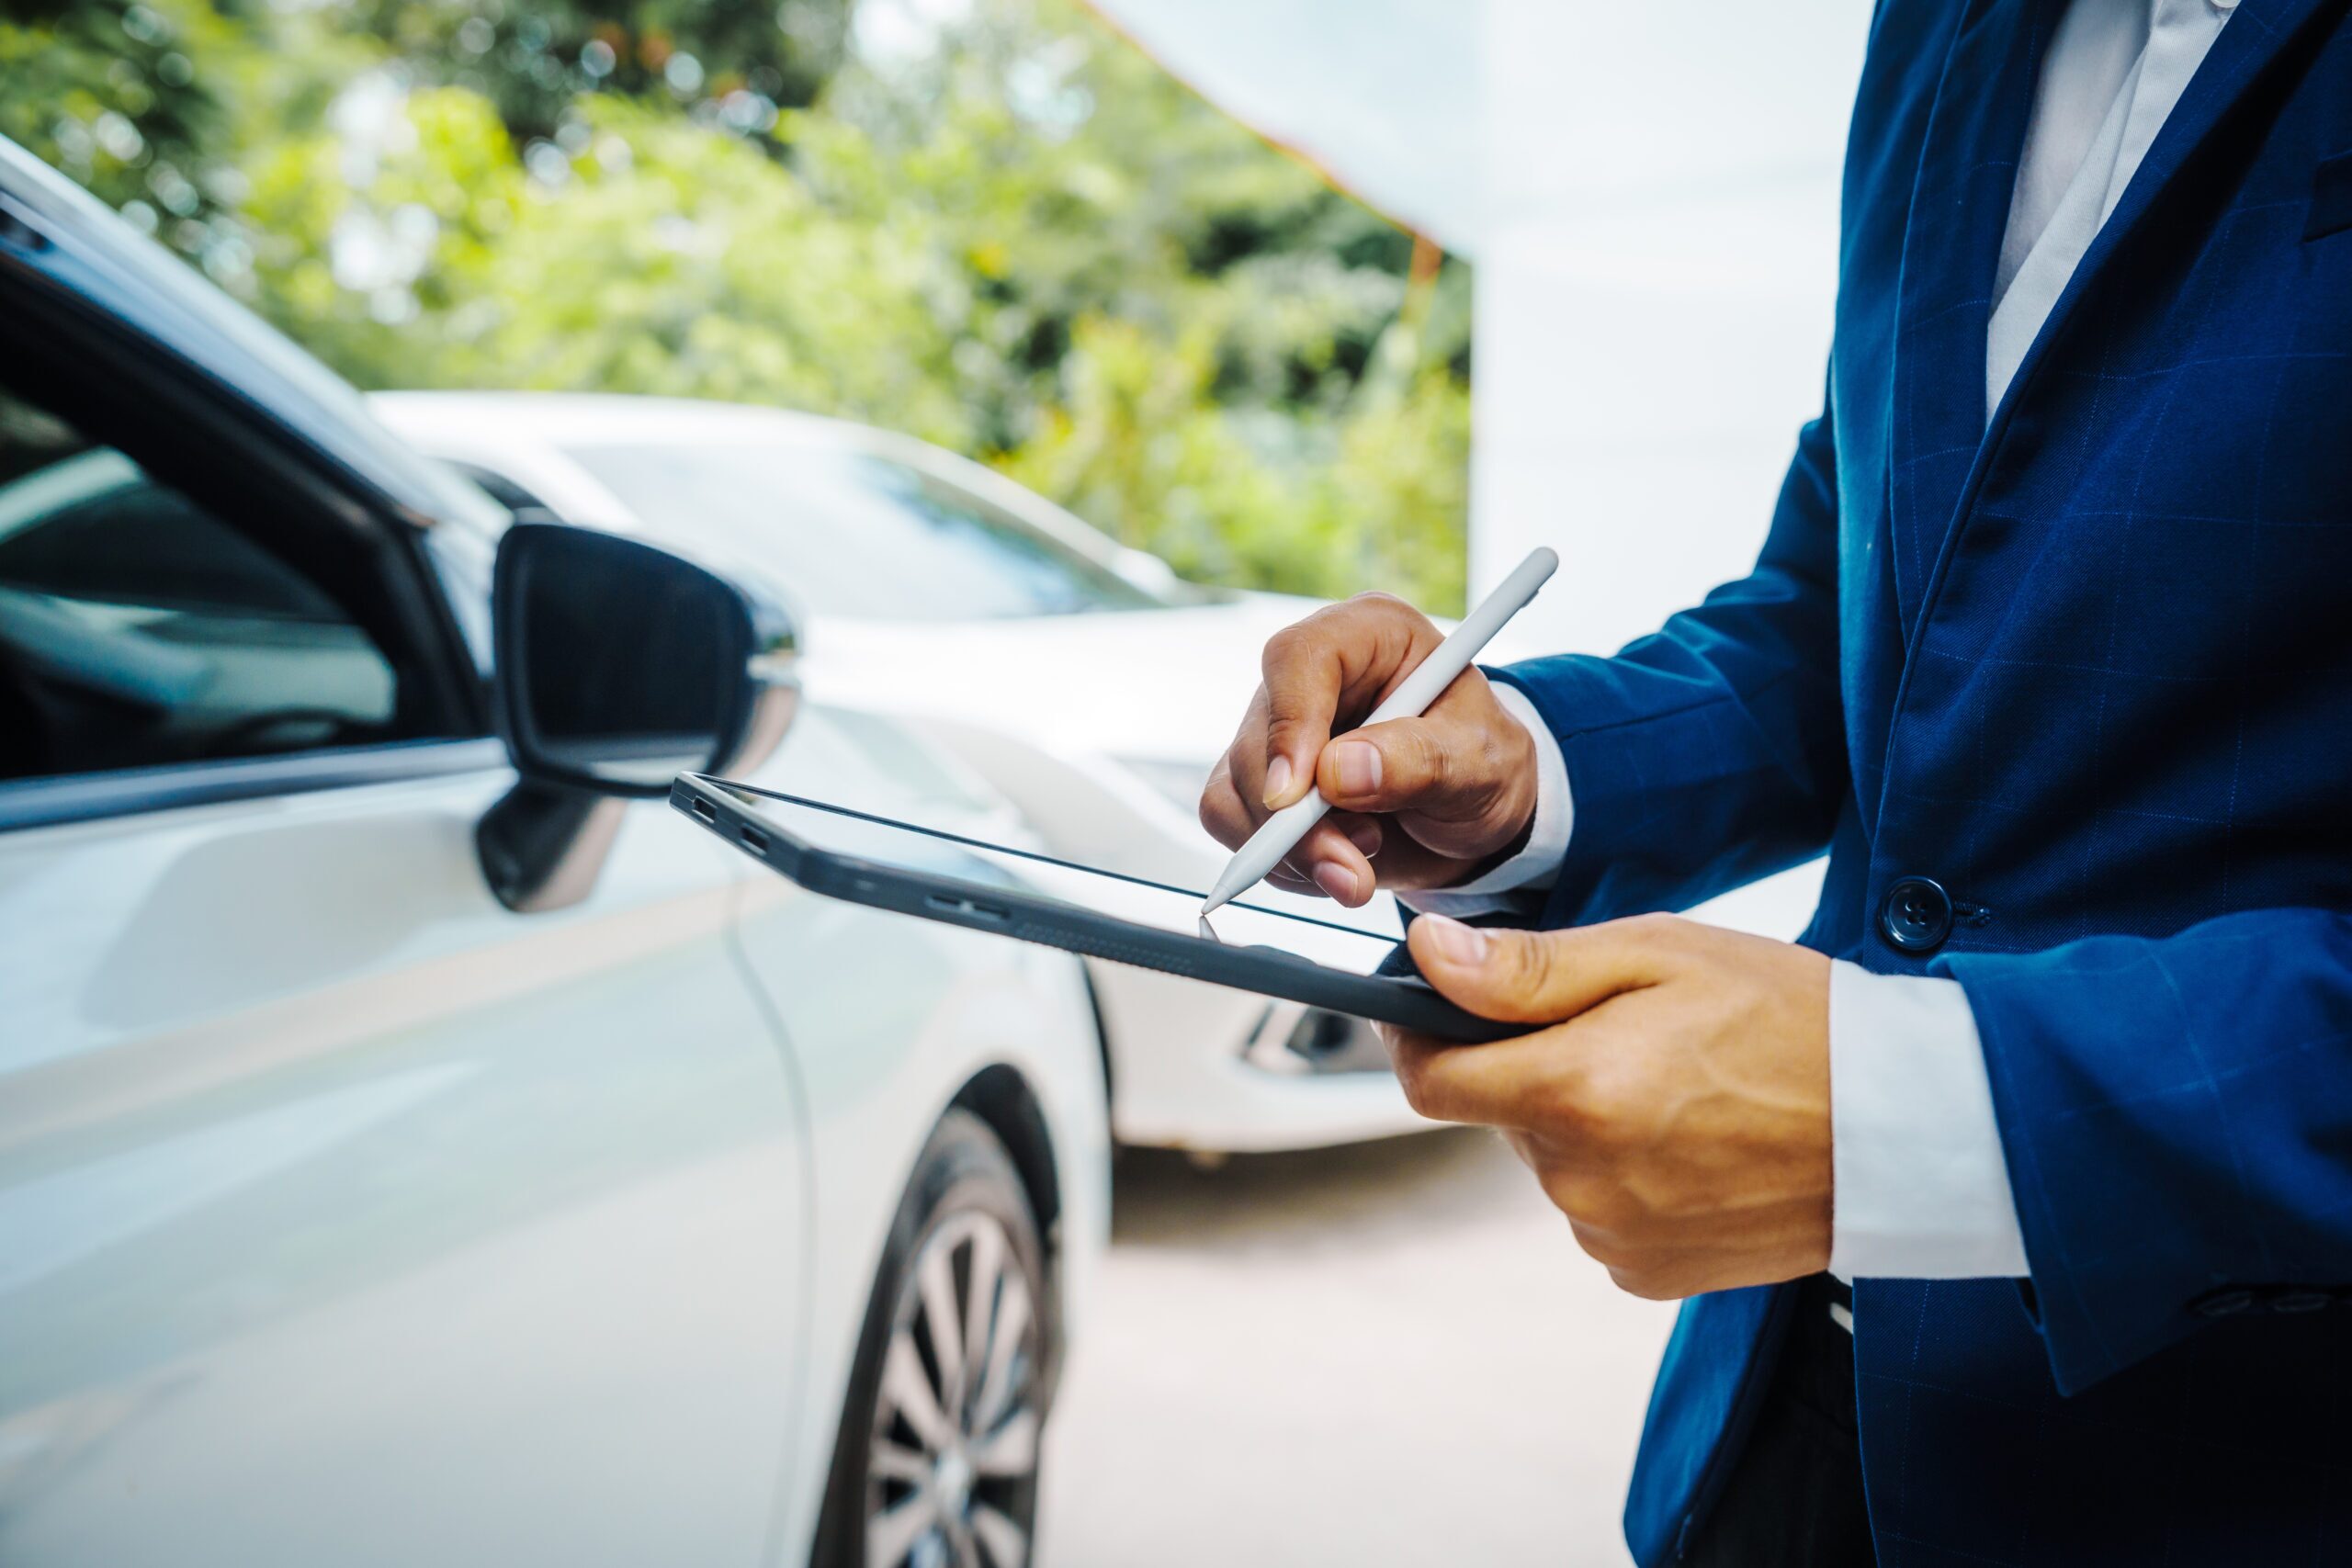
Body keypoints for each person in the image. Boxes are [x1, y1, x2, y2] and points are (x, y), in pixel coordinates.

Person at [1199, 0, 2352, 1561]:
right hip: (1777, 1423)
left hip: (2240, 1471)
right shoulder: (1938, 29)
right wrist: (1523, 770)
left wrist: (1923, 1115)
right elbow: (1848, 615)